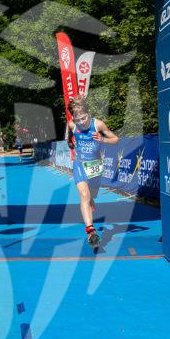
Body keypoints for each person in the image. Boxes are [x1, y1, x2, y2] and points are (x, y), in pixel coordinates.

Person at [67, 94, 119, 247]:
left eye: (84, 118)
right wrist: (70, 142)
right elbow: (69, 134)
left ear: (88, 113)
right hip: (79, 164)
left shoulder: (98, 125)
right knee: (84, 195)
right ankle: (91, 231)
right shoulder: (72, 124)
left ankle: (91, 200)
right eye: (78, 119)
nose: (81, 122)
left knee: (92, 195)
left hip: (95, 166)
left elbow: (116, 139)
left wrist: (102, 139)